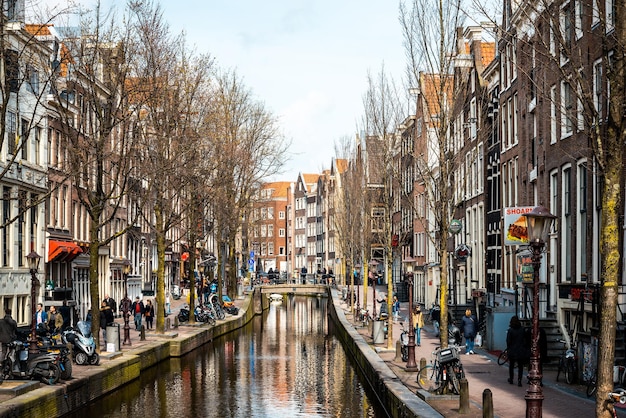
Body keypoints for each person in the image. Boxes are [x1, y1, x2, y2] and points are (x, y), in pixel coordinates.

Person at [506, 315, 528, 386]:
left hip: (512, 350)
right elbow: (525, 340)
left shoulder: (510, 330)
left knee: (511, 366)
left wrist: (508, 348)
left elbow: (508, 341)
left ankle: (511, 379)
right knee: (520, 366)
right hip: (520, 350)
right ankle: (519, 380)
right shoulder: (522, 329)